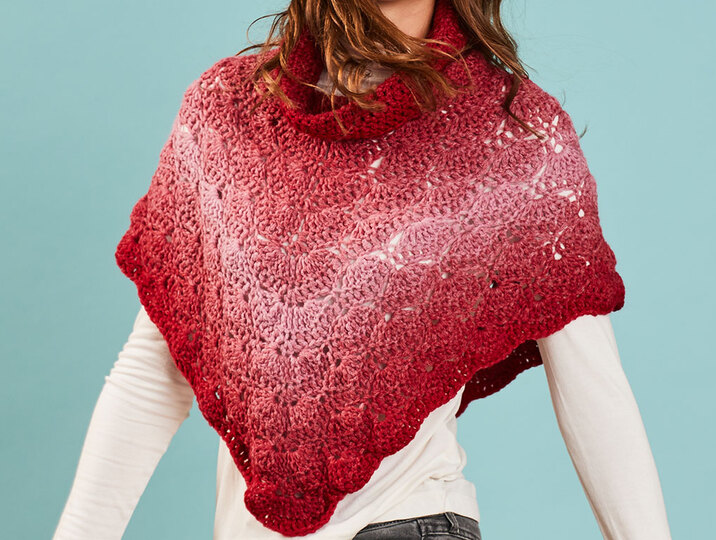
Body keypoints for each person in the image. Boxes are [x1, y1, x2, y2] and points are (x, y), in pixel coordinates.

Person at [54, 0, 673, 538]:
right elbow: (155, 372)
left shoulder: (510, 137)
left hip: (413, 520)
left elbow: (593, 384)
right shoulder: (226, 114)